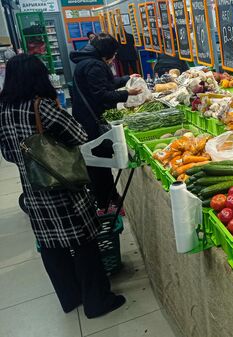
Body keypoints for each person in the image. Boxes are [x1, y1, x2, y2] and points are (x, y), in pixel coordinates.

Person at [0, 54, 125, 318]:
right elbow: (79, 134)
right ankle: (97, 301)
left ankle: (71, 297)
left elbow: (9, 153)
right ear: (37, 77)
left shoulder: (3, 109)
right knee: (83, 243)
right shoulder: (41, 106)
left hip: (33, 188)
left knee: (50, 245)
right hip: (61, 186)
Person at [70, 33, 141, 211]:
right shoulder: (94, 65)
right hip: (92, 121)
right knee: (99, 164)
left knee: (98, 163)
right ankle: (105, 203)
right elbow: (102, 95)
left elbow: (104, 84)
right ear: (108, 51)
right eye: (114, 53)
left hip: (85, 117)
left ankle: (110, 198)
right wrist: (128, 94)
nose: (115, 56)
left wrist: (125, 79)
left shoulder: (86, 61)